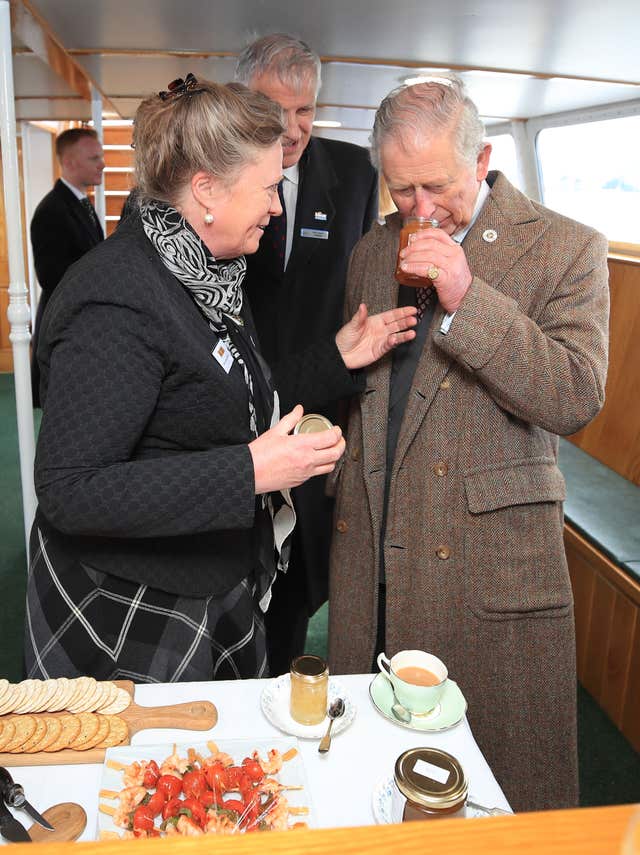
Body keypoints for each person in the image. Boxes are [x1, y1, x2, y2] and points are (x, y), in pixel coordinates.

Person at [24, 75, 416, 684]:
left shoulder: (208, 274)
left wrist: (336, 356)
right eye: (265, 188)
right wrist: (253, 471)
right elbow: (70, 489)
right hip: (134, 602)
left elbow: (226, 394)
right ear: (206, 190)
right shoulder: (116, 299)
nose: (277, 205)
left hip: (210, 571)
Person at [328, 76, 609, 812]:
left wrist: (469, 300)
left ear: (481, 158)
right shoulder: (368, 252)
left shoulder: (567, 249)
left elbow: (575, 394)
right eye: (401, 189)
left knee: (494, 795)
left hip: (482, 565)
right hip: (376, 554)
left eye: (437, 186)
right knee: (368, 781)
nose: (419, 209)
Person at [235, 34, 379, 676]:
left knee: (297, 585)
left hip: (317, 411)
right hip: (230, 413)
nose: (292, 130)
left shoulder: (355, 176)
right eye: (275, 110)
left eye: (306, 111)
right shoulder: (214, 180)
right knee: (230, 577)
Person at [30, 128, 105, 407]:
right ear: (71, 163)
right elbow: (51, 276)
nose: (103, 163)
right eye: (94, 157)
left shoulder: (79, 202)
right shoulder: (51, 210)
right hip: (67, 326)